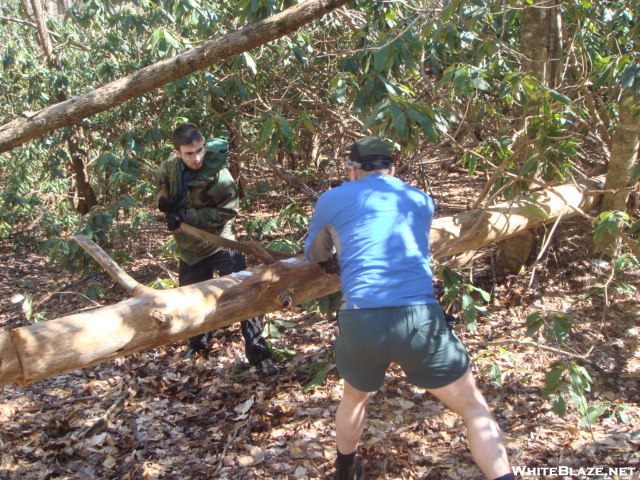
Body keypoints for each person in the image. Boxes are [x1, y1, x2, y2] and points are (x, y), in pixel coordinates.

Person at [304, 137, 514, 480]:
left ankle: (345, 471)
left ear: (352, 170)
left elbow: (314, 253)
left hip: (361, 317)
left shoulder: (332, 198)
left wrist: (335, 254)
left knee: (355, 398)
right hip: (418, 317)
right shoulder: (420, 199)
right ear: (393, 168)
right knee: (474, 408)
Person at [156, 122, 277, 376]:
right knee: (191, 299)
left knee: (245, 296)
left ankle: (258, 353)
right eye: (189, 153)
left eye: (200, 150)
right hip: (189, 248)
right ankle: (198, 345)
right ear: (177, 152)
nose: (197, 157)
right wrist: (165, 205)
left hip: (222, 244)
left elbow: (229, 211)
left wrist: (185, 215)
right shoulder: (169, 166)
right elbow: (162, 190)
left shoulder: (218, 173)